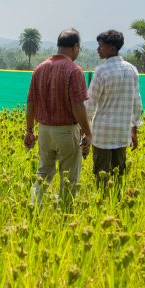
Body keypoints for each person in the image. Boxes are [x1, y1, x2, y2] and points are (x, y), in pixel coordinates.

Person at [23, 28, 92, 207]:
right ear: (76, 47)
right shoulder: (74, 71)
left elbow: (30, 102)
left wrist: (29, 130)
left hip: (44, 130)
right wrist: (88, 133)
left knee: (43, 172)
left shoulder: (39, 68)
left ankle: (33, 207)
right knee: (69, 176)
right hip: (67, 131)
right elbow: (78, 106)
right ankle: (65, 214)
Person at [85, 29, 142, 190]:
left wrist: (84, 131)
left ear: (112, 48)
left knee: (101, 175)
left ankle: (102, 201)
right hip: (122, 133)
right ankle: (116, 202)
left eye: (101, 46)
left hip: (102, 134)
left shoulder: (101, 71)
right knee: (119, 175)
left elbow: (90, 104)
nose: (98, 49)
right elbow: (137, 103)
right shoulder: (132, 70)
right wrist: (134, 130)